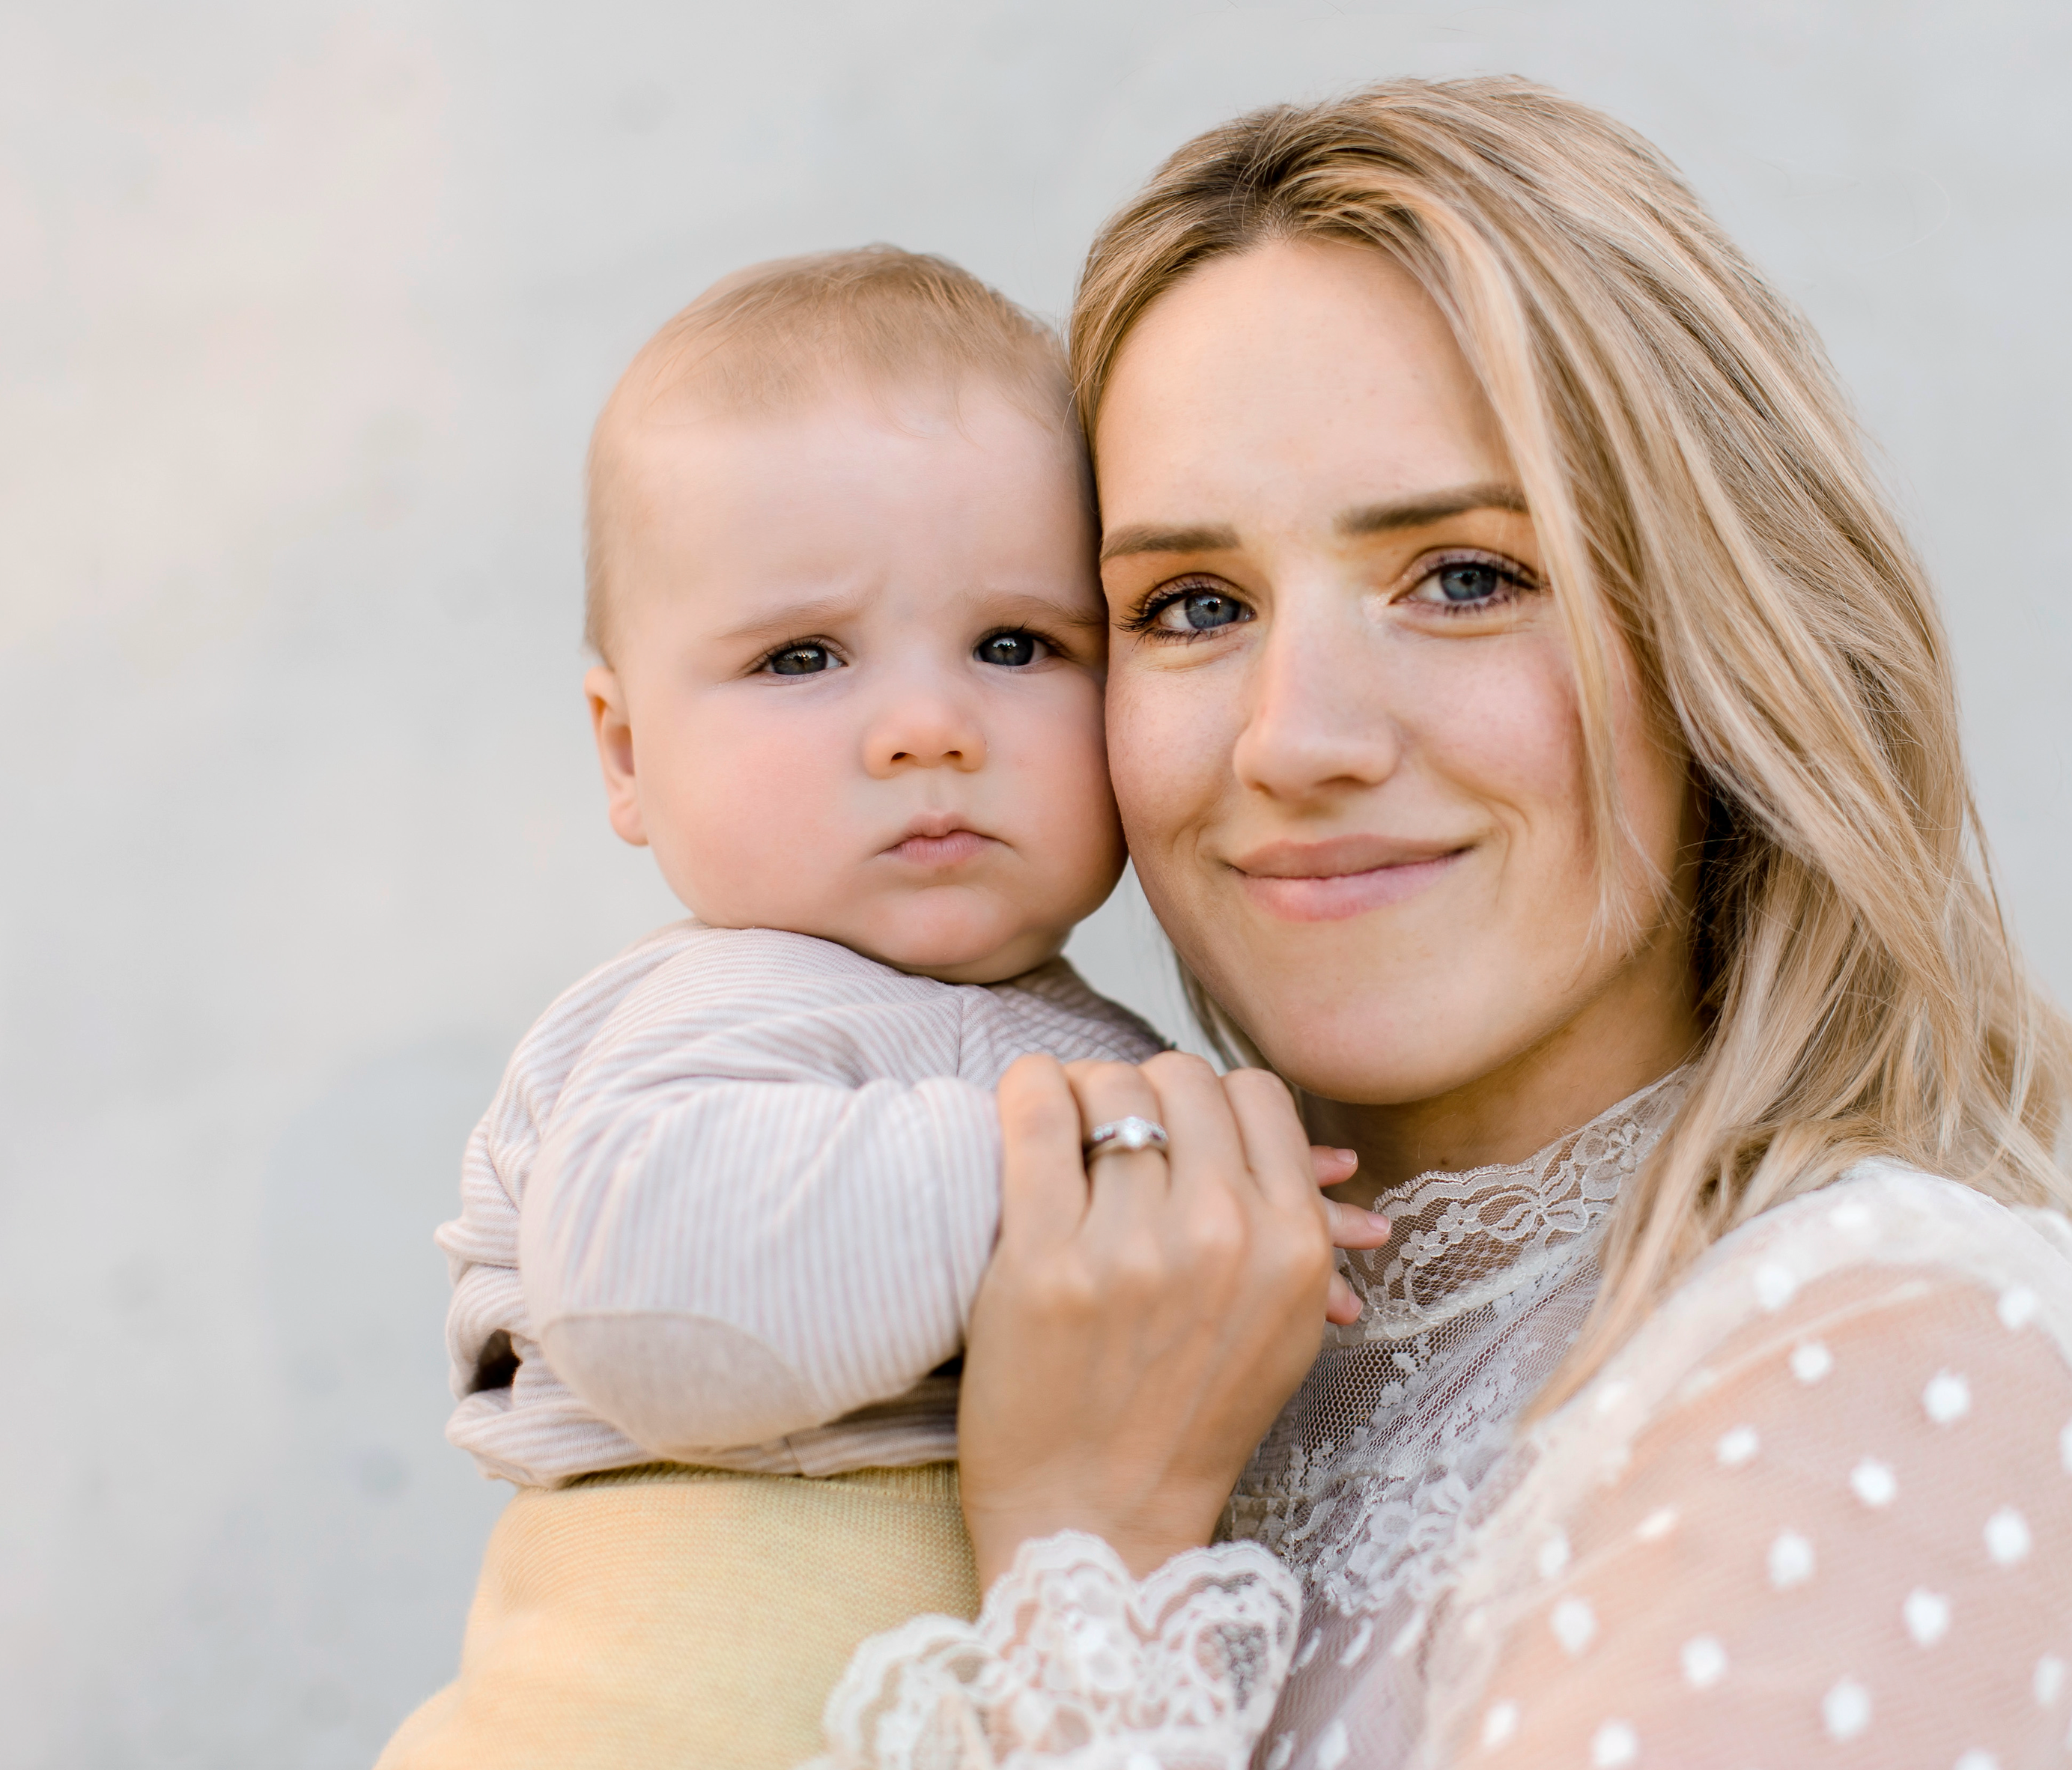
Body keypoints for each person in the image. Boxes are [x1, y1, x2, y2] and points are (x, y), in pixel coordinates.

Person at [821, 76, 2072, 1769]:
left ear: (1719, 635)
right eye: (1192, 606)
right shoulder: (1105, 1331)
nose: (1296, 740)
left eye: (1466, 577)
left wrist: (1091, 1558)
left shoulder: (1890, 1352)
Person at [380, 248, 1385, 1770]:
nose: (928, 727)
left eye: (1015, 646)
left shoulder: (1100, 1048)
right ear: (626, 751)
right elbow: (655, 1309)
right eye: (801, 658)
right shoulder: (704, 1011)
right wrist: (1063, 1169)